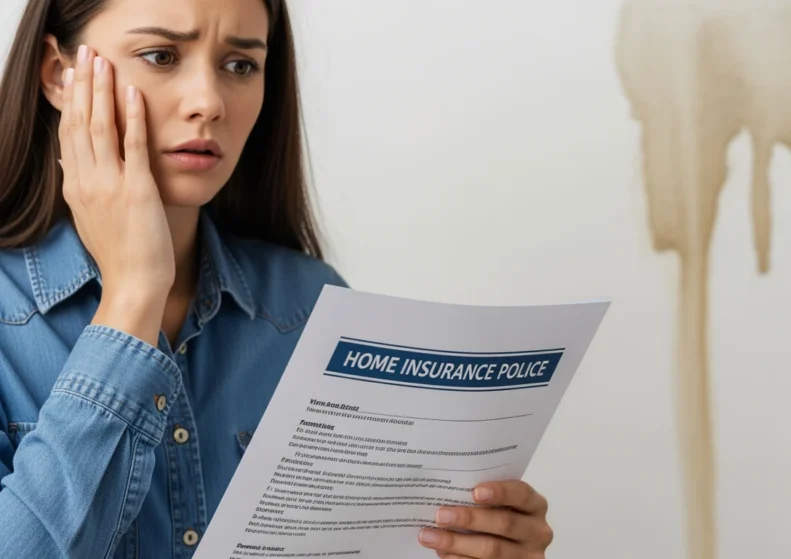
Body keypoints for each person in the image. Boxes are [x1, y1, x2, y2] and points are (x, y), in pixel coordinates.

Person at [0, 0, 555, 557]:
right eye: (161, 55)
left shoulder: (311, 307)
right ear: (58, 74)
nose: (209, 103)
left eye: (241, 65)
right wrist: (132, 296)